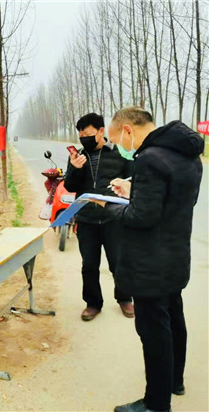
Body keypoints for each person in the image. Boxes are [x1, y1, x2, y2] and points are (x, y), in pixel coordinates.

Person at [90, 107, 204, 412]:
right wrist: (135, 190)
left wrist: (108, 205)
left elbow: (141, 217)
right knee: (174, 319)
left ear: (127, 130)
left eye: (118, 141)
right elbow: (175, 201)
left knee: (154, 333)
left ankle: (156, 403)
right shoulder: (187, 154)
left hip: (150, 262)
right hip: (175, 255)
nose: (121, 149)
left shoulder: (150, 158)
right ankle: (175, 381)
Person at [63, 113, 134, 321]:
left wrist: (125, 186)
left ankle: (124, 298)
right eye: (81, 135)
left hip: (114, 218)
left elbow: (133, 180)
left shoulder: (119, 153)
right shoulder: (77, 156)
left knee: (118, 263)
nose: (83, 138)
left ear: (101, 131)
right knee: (89, 265)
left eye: (88, 134)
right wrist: (75, 169)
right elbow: (70, 186)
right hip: (87, 219)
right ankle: (93, 303)